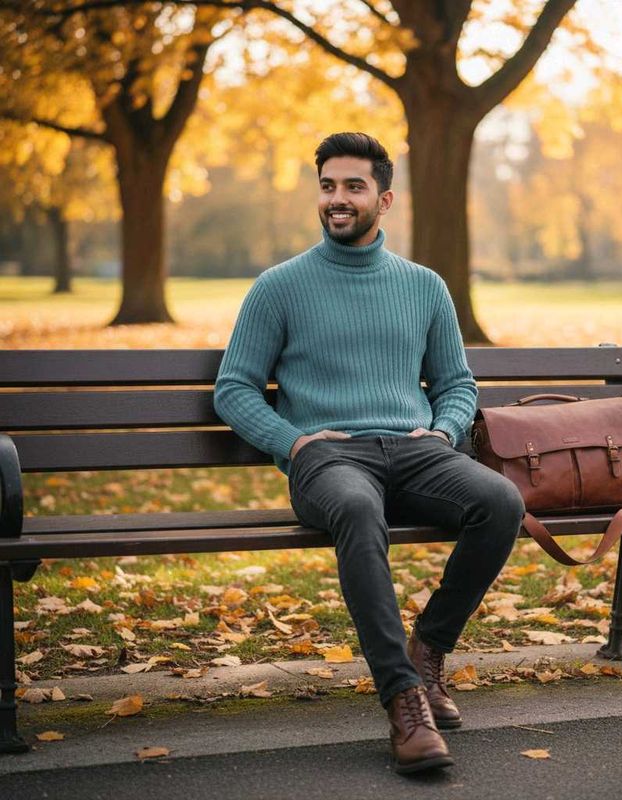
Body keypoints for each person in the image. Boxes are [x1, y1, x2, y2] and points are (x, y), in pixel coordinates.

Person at [214, 132, 525, 774]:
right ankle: (404, 699)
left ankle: (429, 650)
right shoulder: (280, 286)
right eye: (328, 185)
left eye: (353, 186)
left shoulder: (424, 286)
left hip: (415, 450)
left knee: (500, 501)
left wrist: (442, 432)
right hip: (329, 459)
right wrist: (295, 442)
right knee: (358, 511)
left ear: (383, 199)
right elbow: (234, 388)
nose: (337, 199)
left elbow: (457, 383)